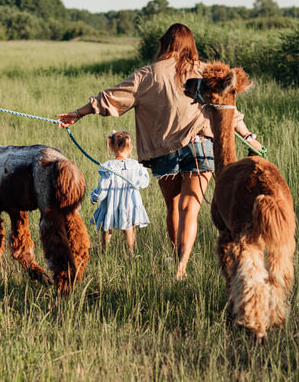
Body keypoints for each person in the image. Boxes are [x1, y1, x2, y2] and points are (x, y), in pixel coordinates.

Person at [57, 23, 262, 279]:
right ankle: (181, 267)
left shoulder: (146, 75)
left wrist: (78, 114)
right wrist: (248, 136)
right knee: (191, 207)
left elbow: (112, 98)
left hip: (163, 151)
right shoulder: (203, 72)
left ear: (164, 43)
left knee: (174, 206)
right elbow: (226, 107)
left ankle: (177, 255)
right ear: (191, 45)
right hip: (200, 145)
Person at [88, 130, 150, 255]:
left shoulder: (109, 166)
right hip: (129, 204)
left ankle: (105, 251)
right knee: (128, 228)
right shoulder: (136, 165)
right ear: (130, 147)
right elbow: (144, 183)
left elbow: (103, 189)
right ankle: (131, 252)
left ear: (111, 147)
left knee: (107, 227)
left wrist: (95, 197)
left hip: (111, 203)